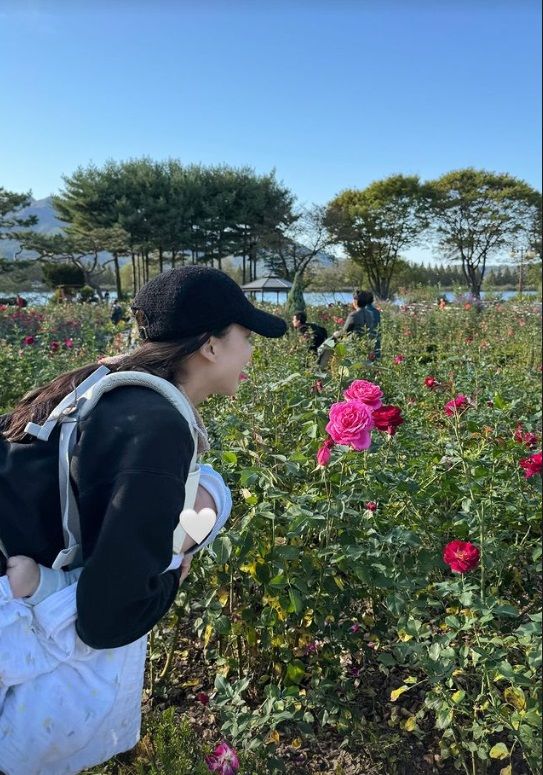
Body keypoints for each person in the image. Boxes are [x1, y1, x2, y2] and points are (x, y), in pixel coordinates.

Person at [0, 265, 287, 775]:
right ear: (211, 346)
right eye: (245, 337)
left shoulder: (103, 385)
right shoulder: (157, 428)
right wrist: (174, 568)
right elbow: (108, 616)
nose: (250, 354)